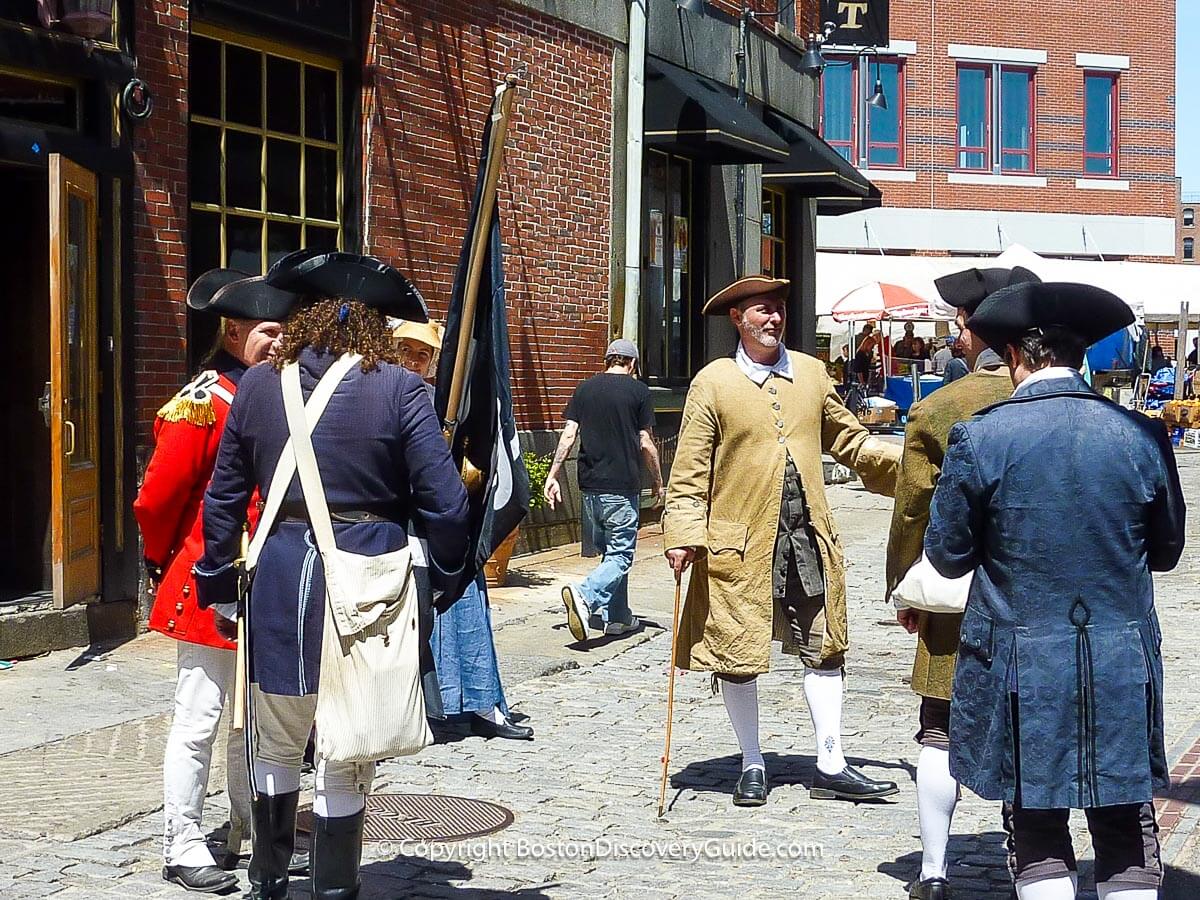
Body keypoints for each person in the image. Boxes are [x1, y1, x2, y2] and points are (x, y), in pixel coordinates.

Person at [195, 251, 470, 900]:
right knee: (346, 748)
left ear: (301, 315)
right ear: (374, 326)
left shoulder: (258, 385)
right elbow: (448, 505)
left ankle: (267, 882)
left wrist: (214, 580)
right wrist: (448, 575)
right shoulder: (401, 388)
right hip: (367, 586)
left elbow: (223, 498)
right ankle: (335, 891)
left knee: (277, 741)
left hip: (280, 585)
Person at [925, 281, 1185, 900]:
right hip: (1120, 660)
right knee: (1126, 828)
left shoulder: (981, 437)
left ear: (1016, 355)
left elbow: (947, 554)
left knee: (1037, 828)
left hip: (1021, 663)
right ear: (1082, 354)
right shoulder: (1142, 436)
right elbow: (1169, 551)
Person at [663, 275, 902, 807]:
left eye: (777, 311)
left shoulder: (813, 374)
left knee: (824, 648)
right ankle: (752, 761)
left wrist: (909, 467)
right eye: (761, 312)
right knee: (737, 654)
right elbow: (689, 472)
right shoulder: (713, 382)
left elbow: (850, 439)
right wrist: (682, 535)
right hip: (738, 545)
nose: (772, 320)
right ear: (738, 320)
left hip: (806, 538)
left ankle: (832, 762)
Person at [134, 269, 302, 894]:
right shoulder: (205, 399)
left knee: (256, 721)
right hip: (213, 576)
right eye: (268, 331)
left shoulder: (282, 390)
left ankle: (246, 830)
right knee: (200, 718)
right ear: (233, 332)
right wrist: (162, 561)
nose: (281, 341)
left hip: (270, 576)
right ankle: (181, 842)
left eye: (286, 330)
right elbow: (158, 498)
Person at [885, 265, 1040, 900]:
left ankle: (934, 870)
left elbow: (913, 507)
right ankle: (1032, 863)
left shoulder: (938, 408)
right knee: (1028, 729)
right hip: (1038, 596)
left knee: (939, 727)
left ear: (968, 329)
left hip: (957, 590)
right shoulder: (1062, 399)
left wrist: (906, 584)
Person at [392, 319, 532, 742]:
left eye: (423, 355)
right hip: (400, 523)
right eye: (406, 352)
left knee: (466, 600)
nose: (414, 362)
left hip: (444, 519)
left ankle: (479, 700)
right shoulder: (382, 393)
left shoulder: (442, 400)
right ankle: (419, 709)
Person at [544, 339, 663, 641]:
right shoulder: (640, 392)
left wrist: (553, 474)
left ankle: (618, 617)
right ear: (633, 364)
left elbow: (569, 435)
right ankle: (585, 596)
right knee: (621, 556)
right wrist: (659, 482)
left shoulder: (585, 388)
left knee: (609, 553)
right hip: (621, 487)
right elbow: (646, 443)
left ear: (607, 360)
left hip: (590, 488)